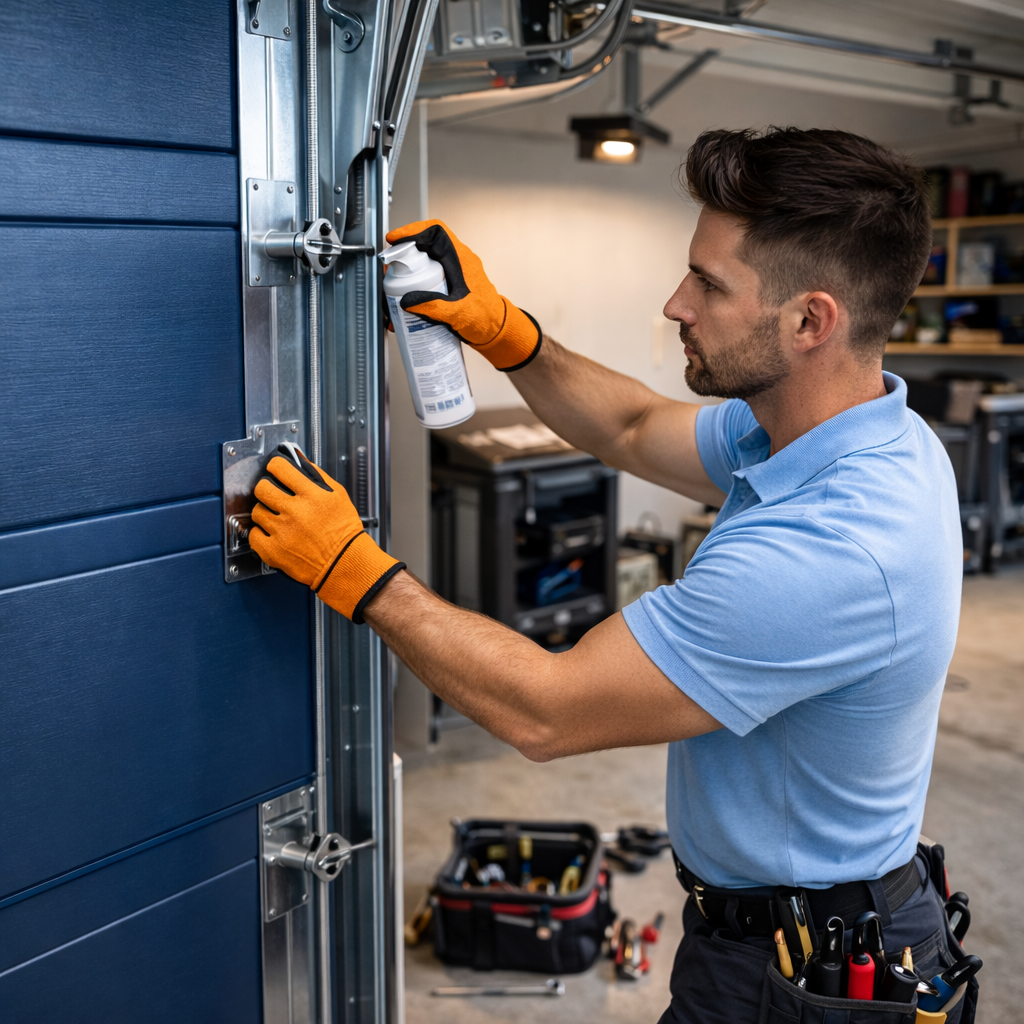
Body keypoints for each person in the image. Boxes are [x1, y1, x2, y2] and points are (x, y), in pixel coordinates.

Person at [249, 127, 966, 1022]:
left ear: (811, 321)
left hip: (801, 974)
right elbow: (629, 427)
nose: (676, 304)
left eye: (709, 284)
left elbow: (547, 710)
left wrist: (355, 572)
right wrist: (509, 333)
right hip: (785, 929)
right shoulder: (839, 430)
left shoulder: (836, 547)